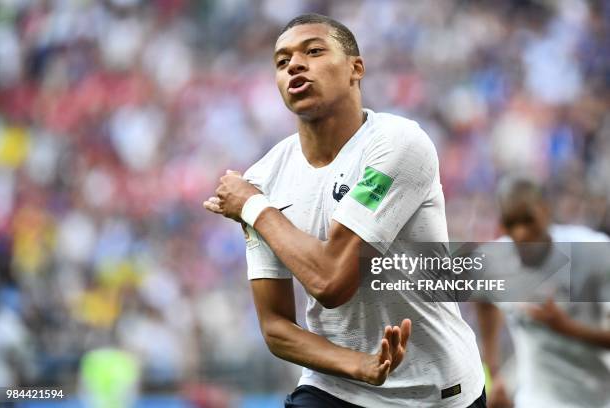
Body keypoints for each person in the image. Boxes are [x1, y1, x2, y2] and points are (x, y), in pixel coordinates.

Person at [204, 13, 485, 407]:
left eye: (314, 51)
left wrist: (252, 207)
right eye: (282, 62)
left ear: (356, 68)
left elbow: (332, 282)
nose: (295, 65)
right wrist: (358, 365)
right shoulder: (264, 179)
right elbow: (276, 327)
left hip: (435, 390)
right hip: (334, 385)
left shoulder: (398, 145)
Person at [475, 177, 610, 408]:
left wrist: (566, 327)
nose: (521, 233)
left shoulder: (592, 252)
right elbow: (483, 300)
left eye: (528, 220)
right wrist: (493, 372)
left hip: (595, 399)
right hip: (534, 400)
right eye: (511, 223)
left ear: (546, 211)